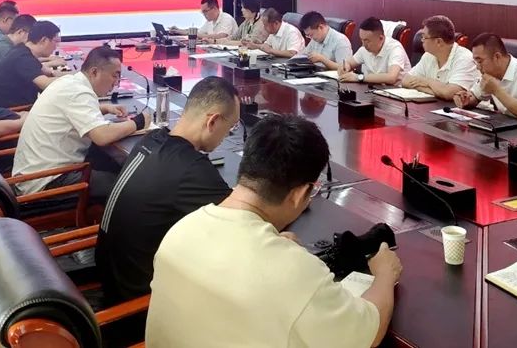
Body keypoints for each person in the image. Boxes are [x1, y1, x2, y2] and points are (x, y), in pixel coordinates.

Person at [146, 114, 401, 347]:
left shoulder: (182, 229)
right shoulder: (294, 273)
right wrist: (384, 274)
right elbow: (370, 333)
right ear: (300, 193)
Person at [96, 77, 240, 304]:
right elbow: (244, 223)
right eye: (230, 127)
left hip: (111, 278)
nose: (228, 135)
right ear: (212, 121)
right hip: (138, 304)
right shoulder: (191, 169)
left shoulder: (150, 140)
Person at [10, 46, 151, 203]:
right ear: (94, 72)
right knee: (129, 185)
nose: (116, 83)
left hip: (34, 174)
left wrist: (103, 108)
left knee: (112, 164)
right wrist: (138, 122)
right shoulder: (79, 92)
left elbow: (70, 111)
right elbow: (102, 136)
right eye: (114, 76)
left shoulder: (70, 82)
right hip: (47, 181)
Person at [453, 33, 517, 128]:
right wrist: (465, 99)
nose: (478, 67)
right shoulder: (490, 73)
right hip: (512, 129)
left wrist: (496, 90)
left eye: (480, 61)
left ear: (497, 57)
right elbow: (475, 96)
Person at [0, 20, 68, 108]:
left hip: (4, 107)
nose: (56, 46)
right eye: (55, 41)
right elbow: (46, 84)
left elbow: (50, 73)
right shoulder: (23, 58)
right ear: (44, 40)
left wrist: (74, 75)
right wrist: (73, 80)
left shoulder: (22, 50)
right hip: (8, 111)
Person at [401, 15, 479, 100]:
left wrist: (427, 81)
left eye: (424, 37)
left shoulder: (464, 59)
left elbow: (450, 93)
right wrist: (436, 91)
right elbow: (405, 80)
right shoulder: (429, 55)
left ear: (438, 42)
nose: (421, 40)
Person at [339, 17, 411, 85]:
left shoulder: (395, 48)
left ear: (381, 38)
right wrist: (344, 67)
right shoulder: (364, 48)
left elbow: (391, 77)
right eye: (362, 40)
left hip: (396, 90)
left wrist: (359, 77)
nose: (363, 45)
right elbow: (349, 63)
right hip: (375, 89)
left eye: (367, 41)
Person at [170, 0, 237, 42]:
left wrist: (198, 35)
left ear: (214, 8)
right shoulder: (209, 21)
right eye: (202, 12)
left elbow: (221, 36)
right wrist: (179, 30)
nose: (204, 14)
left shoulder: (226, 18)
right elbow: (199, 32)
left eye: (205, 11)